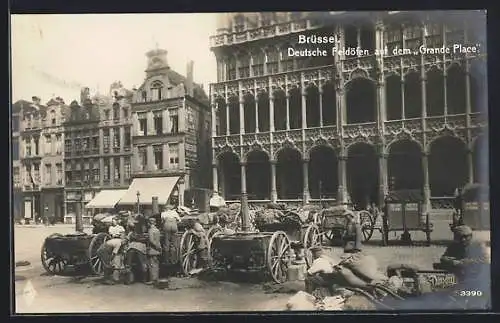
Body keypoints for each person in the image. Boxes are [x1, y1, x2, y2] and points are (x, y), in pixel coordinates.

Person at [146, 217, 162, 286]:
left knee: (151, 265)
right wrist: (159, 248)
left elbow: (151, 240)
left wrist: (156, 247)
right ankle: (156, 278)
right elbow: (158, 240)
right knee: (156, 264)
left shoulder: (150, 230)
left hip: (152, 249)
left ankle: (152, 279)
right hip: (157, 249)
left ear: (149, 223)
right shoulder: (157, 230)